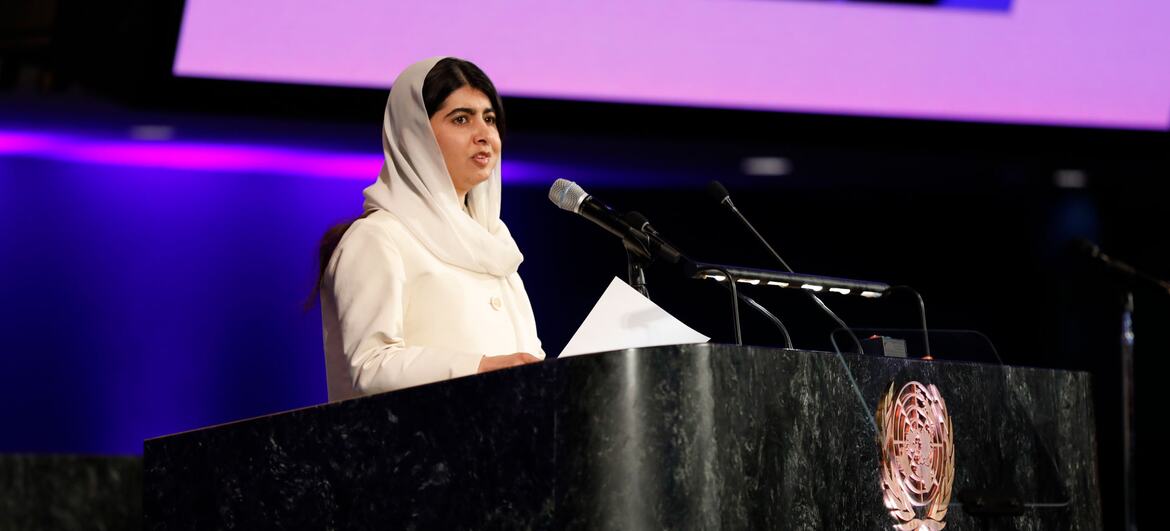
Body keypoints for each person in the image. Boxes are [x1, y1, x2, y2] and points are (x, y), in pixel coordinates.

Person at [316, 57, 543, 402]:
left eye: (489, 119)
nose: (484, 135)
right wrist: (480, 368)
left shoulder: (498, 248)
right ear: (415, 134)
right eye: (461, 119)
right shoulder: (378, 238)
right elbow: (370, 366)